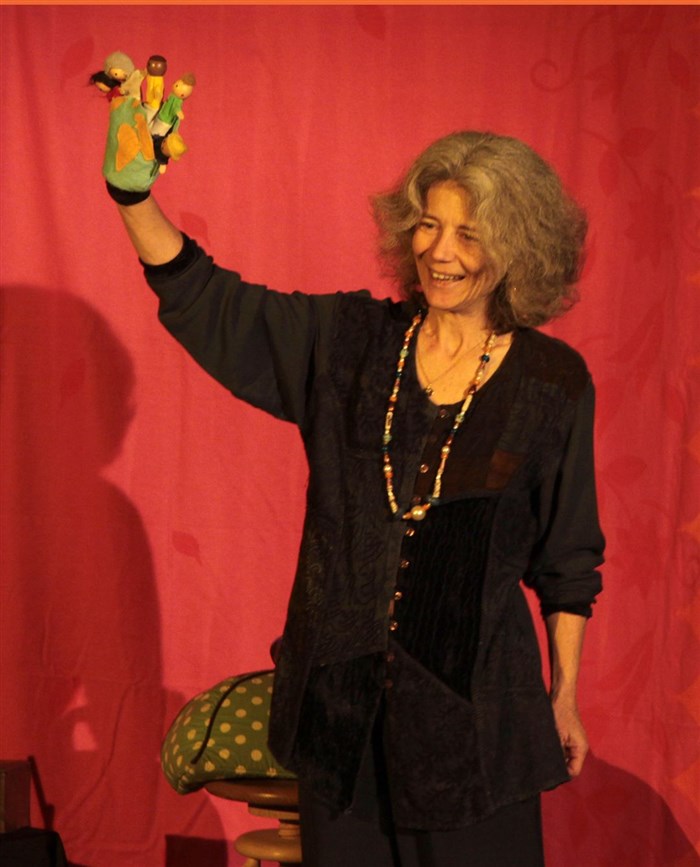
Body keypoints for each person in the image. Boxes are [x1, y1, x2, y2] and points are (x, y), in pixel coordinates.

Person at [107, 129, 604, 866]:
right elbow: (213, 304)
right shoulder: (350, 343)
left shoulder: (552, 382)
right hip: (340, 725)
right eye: (429, 225)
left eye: (469, 234)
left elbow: (567, 560)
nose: (440, 251)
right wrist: (133, 197)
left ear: (518, 249)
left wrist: (564, 695)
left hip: (477, 732)